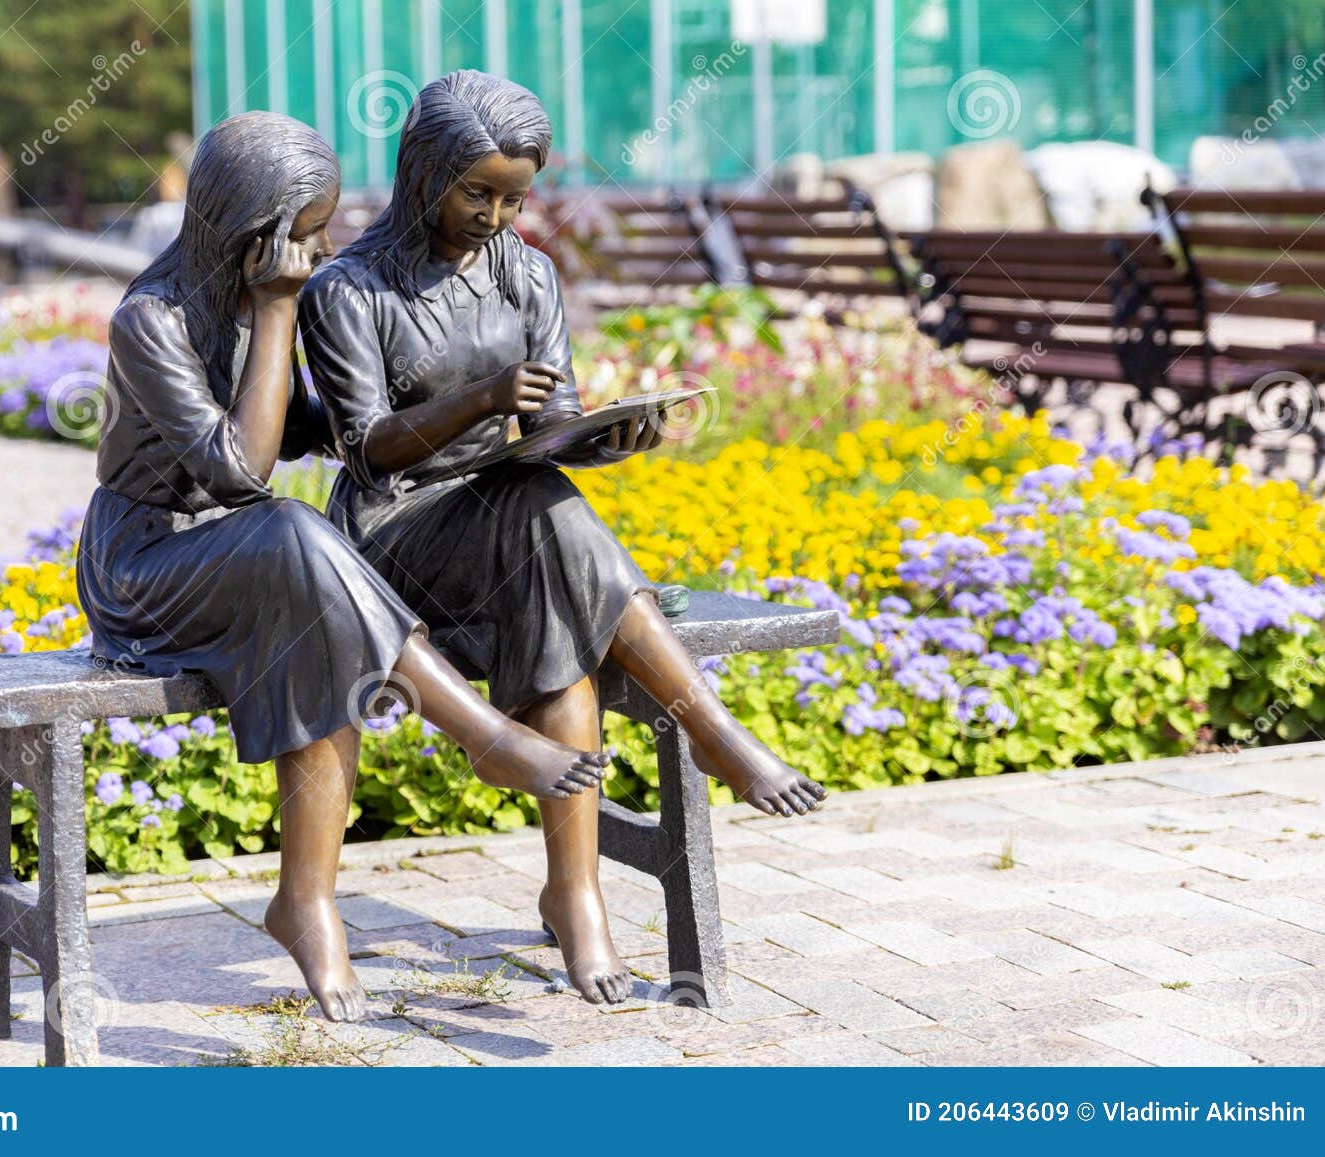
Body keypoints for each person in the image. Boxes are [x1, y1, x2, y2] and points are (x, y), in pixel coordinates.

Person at [299, 71, 827, 1006]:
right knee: (545, 529)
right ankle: (707, 731)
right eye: (478, 193)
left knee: (552, 557)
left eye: (515, 195)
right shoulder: (349, 288)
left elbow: (561, 418)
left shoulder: (526, 273)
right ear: (424, 171)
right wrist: (485, 400)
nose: (497, 214)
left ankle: (577, 890)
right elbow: (368, 448)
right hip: (393, 535)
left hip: (512, 515)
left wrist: (609, 437)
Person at [75, 111, 611, 1023]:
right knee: (291, 528)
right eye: (308, 234)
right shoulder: (151, 320)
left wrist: (446, 420)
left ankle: (307, 899)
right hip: (147, 567)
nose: (322, 252)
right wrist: (284, 309)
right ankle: (481, 734)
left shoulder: (247, 306)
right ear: (251, 230)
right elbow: (242, 472)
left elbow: (326, 434)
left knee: (312, 588)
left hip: (250, 561)